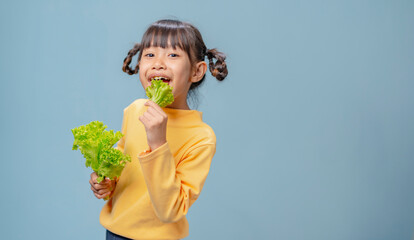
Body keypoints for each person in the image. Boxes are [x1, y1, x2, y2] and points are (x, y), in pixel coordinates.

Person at [89, 19, 228, 240]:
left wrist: (158, 143)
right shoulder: (135, 111)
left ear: (196, 71)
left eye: (173, 55)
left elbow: (171, 210)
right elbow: (122, 167)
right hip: (115, 233)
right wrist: (107, 182)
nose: (158, 63)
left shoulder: (201, 137)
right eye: (150, 54)